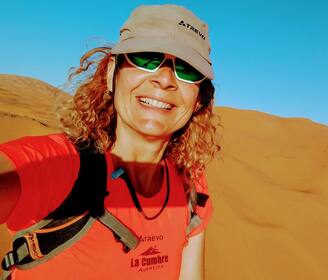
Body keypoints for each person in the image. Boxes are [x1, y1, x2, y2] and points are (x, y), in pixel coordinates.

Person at [0, 4, 220, 280]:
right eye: (147, 58)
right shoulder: (61, 167)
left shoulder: (191, 189)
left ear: (199, 98)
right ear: (111, 73)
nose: (164, 79)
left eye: (187, 69)